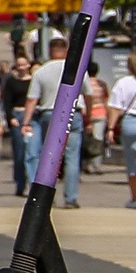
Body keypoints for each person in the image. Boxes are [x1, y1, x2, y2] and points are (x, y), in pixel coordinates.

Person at [20, 38, 83, 209]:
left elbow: (32, 100)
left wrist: (26, 122)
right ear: (67, 50)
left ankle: (45, 196)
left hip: (49, 113)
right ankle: (70, 198)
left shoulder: (41, 72)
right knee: (72, 158)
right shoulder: (78, 69)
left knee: (49, 156)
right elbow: (89, 94)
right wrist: (89, 115)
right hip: (73, 112)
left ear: (49, 51)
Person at [108, 51, 136, 210]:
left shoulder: (122, 83)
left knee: (132, 160)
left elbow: (115, 107)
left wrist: (111, 128)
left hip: (129, 122)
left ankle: (134, 197)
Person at [0, 52, 34, 194]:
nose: (21, 67)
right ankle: (20, 184)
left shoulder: (33, 81)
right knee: (19, 153)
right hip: (16, 116)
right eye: (19, 65)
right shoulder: (11, 81)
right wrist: (10, 117)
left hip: (31, 115)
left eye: (24, 64)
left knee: (32, 152)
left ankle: (32, 183)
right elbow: (6, 101)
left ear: (29, 65)